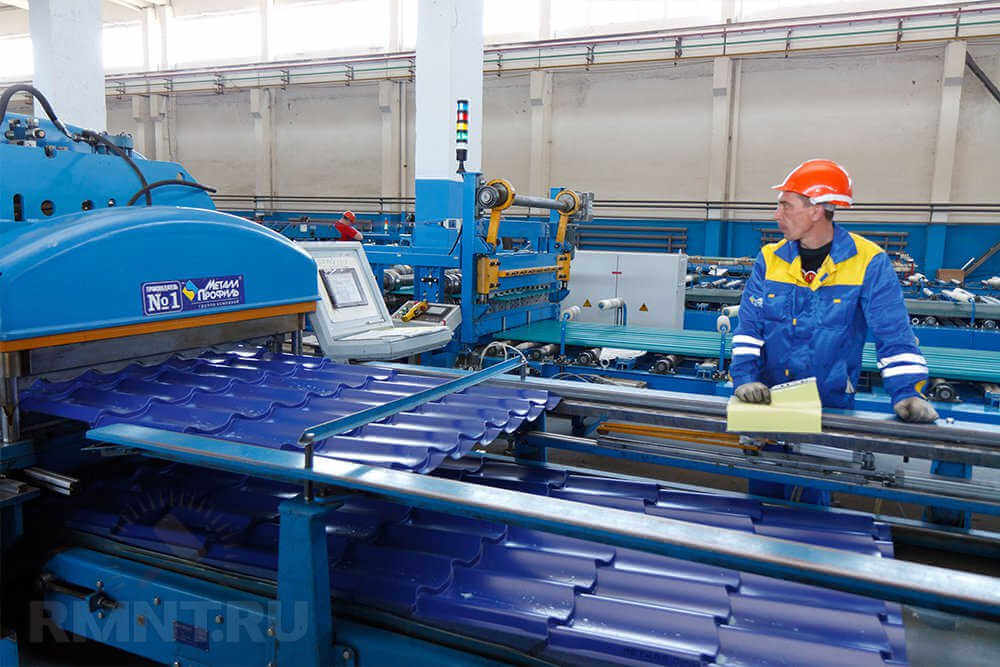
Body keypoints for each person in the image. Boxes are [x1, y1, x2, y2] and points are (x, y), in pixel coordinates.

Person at [730, 159, 938, 424]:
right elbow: (749, 329)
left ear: (816, 211)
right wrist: (744, 379)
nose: (777, 214)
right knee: (756, 451)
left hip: (830, 407)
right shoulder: (770, 259)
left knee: (823, 453)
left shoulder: (869, 262)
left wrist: (907, 392)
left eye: (786, 205)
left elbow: (893, 333)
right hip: (765, 400)